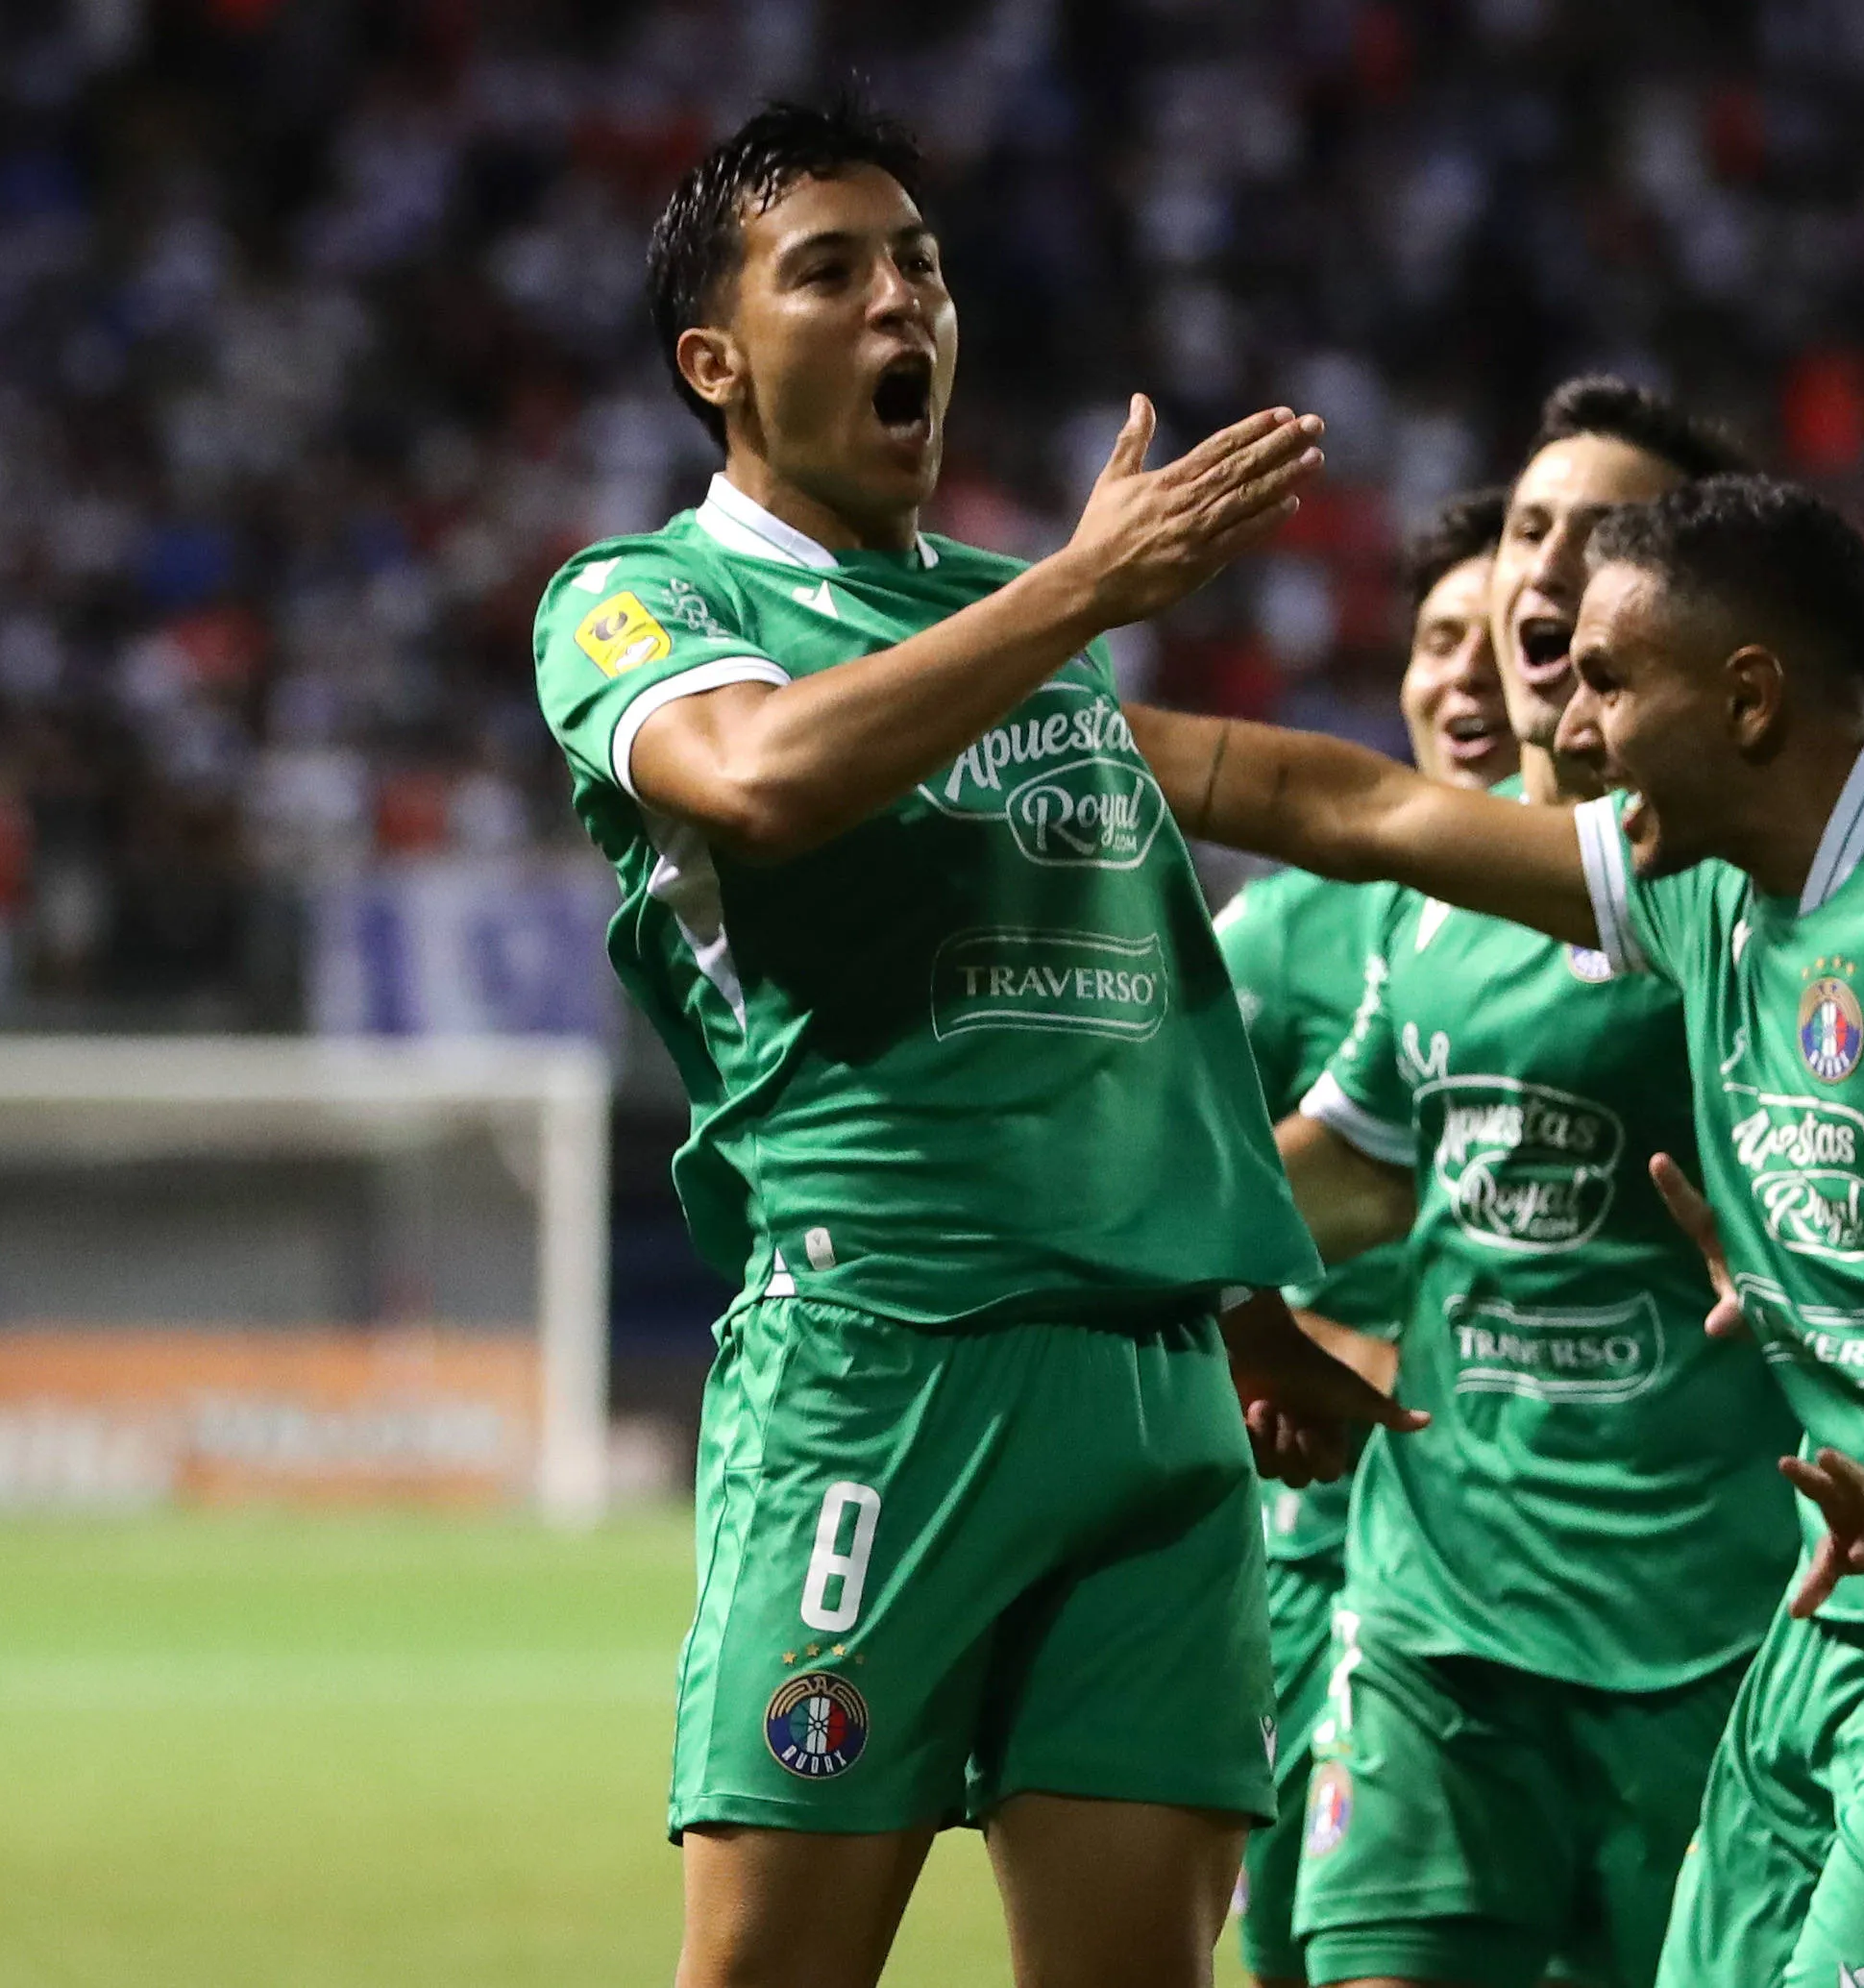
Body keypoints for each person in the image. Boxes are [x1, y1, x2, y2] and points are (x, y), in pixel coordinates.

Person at [530, 98, 1415, 1988]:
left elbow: (1118, 1012)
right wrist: (1080, 587)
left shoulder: (1015, 633)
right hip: (884, 1372)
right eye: (829, 272)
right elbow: (758, 777)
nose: (895, 301)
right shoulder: (647, 600)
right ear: (718, 361)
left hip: (1156, 1411)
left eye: (917, 263)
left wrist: (1242, 1311)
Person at [1126, 475, 1864, 1988]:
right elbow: (1353, 810)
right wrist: (1006, 706)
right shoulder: (1700, 898)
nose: (1564, 731)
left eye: (1605, 684)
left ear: (1750, 699)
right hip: (1838, 1584)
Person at [1271, 380, 1800, 1988]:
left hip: (1702, 1639)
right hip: (1435, 1633)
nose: (1544, 571)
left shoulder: (1755, 900)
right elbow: (1349, 1181)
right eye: (1524, 529)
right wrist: (1123, 1229)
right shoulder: (1440, 892)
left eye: (1604, 536)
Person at [1213, 486, 1516, 1988]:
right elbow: (1159, 1185)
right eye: (1433, 640)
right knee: (1292, 1945)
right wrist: (1291, 1340)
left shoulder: (1665, 927)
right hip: (1311, 1547)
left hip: (1540, 1542)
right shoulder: (1281, 941)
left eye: (1502, 642)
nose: (1462, 675)